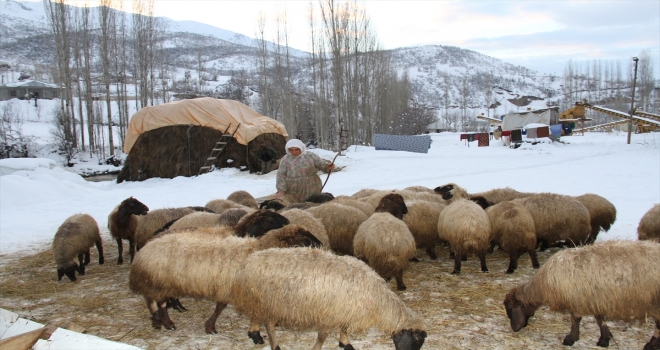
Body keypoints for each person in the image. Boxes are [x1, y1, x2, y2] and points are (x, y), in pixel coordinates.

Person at [274, 139, 335, 203]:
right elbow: (281, 174)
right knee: (296, 205)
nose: (294, 152)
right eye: (291, 150)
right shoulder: (285, 159)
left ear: (301, 148)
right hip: (293, 188)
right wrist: (281, 190)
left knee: (313, 203)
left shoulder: (310, 156)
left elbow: (321, 165)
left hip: (312, 186)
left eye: (296, 149)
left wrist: (328, 167)